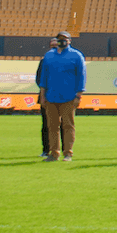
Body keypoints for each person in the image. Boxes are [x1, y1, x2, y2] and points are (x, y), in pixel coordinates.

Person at [37, 31, 85, 162]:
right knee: (52, 126)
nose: (62, 41)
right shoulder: (49, 56)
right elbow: (44, 77)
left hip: (69, 96)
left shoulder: (76, 56)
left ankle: (68, 153)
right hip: (51, 96)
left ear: (69, 40)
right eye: (60, 39)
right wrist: (42, 95)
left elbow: (81, 77)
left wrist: (78, 95)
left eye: (65, 39)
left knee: (68, 125)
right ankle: (54, 153)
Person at [36, 36, 63, 159]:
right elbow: (39, 79)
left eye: (55, 46)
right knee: (46, 124)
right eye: (52, 46)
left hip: (62, 96)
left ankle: (62, 149)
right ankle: (46, 150)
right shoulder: (44, 61)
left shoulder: (64, 60)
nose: (54, 48)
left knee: (62, 124)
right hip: (47, 96)